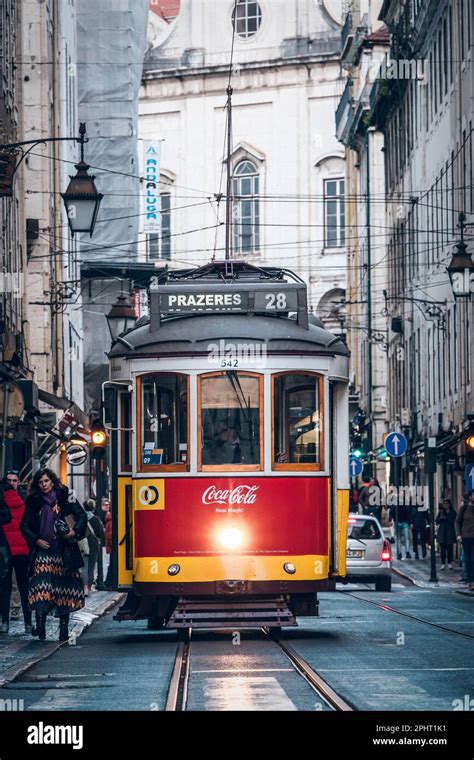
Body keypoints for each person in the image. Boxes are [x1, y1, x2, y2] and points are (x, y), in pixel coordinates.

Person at [20, 469, 87, 641]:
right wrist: (36, 540)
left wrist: (74, 532)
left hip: (63, 551)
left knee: (63, 589)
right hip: (43, 550)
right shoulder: (33, 501)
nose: (44, 485)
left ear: (52, 481)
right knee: (41, 588)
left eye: (46, 481)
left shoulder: (66, 496)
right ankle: (40, 624)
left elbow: (81, 515)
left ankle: (63, 628)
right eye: (41, 482)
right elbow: (24, 525)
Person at [0, 472, 31, 633]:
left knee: (6, 587)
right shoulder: (24, 500)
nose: (12, 483)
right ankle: (28, 623)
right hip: (21, 549)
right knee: (23, 586)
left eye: (14, 480)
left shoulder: (3, 501)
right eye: (10, 481)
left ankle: (5, 622)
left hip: (7, 549)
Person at [83, 499, 105, 591]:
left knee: (83, 566)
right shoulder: (95, 519)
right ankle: (88, 588)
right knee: (91, 567)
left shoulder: (80, 518)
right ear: (93, 508)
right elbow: (101, 533)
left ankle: (82, 587)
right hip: (93, 545)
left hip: (82, 544)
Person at [455, 490, 474, 592]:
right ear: (470, 497)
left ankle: (472, 581)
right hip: (466, 537)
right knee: (467, 560)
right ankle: (470, 581)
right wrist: (458, 535)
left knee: (473, 559)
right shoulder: (464, 508)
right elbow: (457, 521)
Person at [436, 498, 457, 570]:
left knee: (449, 549)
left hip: (450, 532)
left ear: (449, 504)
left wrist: (446, 518)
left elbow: (453, 521)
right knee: (443, 550)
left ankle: (449, 563)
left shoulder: (453, 512)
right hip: (442, 533)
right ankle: (443, 563)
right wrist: (441, 518)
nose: (445, 505)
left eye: (446, 504)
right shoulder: (441, 512)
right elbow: (437, 520)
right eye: (444, 504)